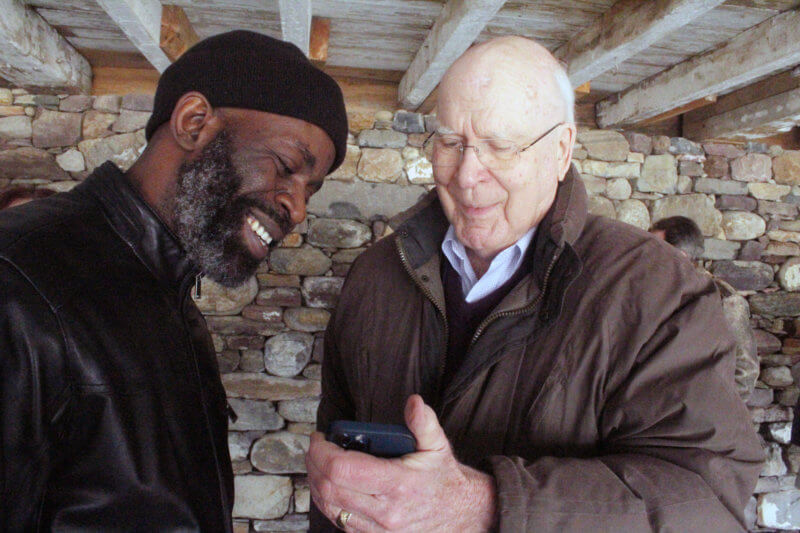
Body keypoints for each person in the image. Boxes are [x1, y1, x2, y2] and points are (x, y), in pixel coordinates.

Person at [307, 36, 763, 532]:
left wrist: (483, 507)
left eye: (500, 147)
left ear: (561, 149)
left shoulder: (659, 292)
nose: (466, 176)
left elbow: (710, 504)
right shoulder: (375, 276)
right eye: (451, 143)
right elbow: (339, 464)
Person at [0, 31, 347, 531]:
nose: (297, 208)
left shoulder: (172, 298)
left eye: (310, 190)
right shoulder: (19, 279)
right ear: (194, 122)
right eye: (288, 167)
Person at [650, 216, 760, 400]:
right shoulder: (646, 293)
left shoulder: (723, 300)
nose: (646, 255)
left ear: (681, 256)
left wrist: (706, 414)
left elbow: (745, 373)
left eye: (654, 249)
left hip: (693, 420)